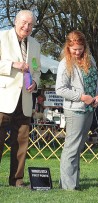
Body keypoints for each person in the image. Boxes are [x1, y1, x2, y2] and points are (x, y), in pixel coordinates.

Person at [55, 30, 98, 190]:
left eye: (80, 48)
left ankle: (72, 183)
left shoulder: (91, 59)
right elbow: (60, 89)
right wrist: (82, 97)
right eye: (74, 49)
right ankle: (68, 187)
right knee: (71, 148)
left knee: (78, 148)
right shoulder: (64, 64)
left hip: (89, 109)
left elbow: (97, 80)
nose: (77, 52)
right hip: (74, 111)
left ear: (85, 47)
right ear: (68, 47)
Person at [0, 10, 41, 187]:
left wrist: (36, 84)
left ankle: (17, 180)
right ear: (15, 21)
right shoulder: (2, 37)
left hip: (24, 101)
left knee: (22, 143)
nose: (27, 27)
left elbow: (36, 69)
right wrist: (12, 64)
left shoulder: (35, 45)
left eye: (31, 24)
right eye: (24, 22)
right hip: (3, 99)